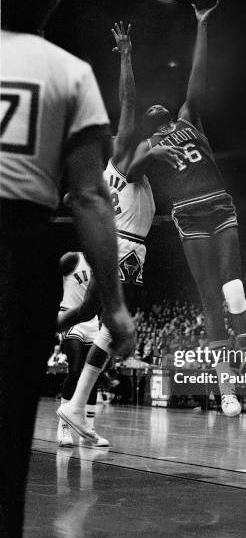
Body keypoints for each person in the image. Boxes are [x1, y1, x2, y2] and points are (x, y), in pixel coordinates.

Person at [0, 0, 135, 538]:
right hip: (19, 248)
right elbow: (89, 197)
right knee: (9, 432)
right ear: (53, 1)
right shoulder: (72, 72)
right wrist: (114, 304)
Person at [127, 0, 246, 417]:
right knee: (210, 300)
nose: (156, 107)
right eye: (148, 111)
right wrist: (152, 154)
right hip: (187, 214)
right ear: (147, 123)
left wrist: (202, 24)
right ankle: (227, 387)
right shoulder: (147, 144)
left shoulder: (189, 117)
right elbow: (132, 171)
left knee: (233, 288)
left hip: (218, 206)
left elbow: (197, 77)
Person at [57, 22, 155, 439]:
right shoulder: (124, 158)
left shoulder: (105, 173)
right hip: (127, 248)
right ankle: (77, 407)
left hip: (112, 245)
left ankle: (73, 409)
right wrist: (127, 55)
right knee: (112, 324)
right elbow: (129, 100)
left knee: (88, 316)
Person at [57, 251, 109, 447]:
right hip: (72, 318)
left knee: (91, 376)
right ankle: (63, 426)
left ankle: (89, 429)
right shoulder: (72, 259)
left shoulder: (103, 264)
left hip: (92, 322)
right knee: (75, 370)